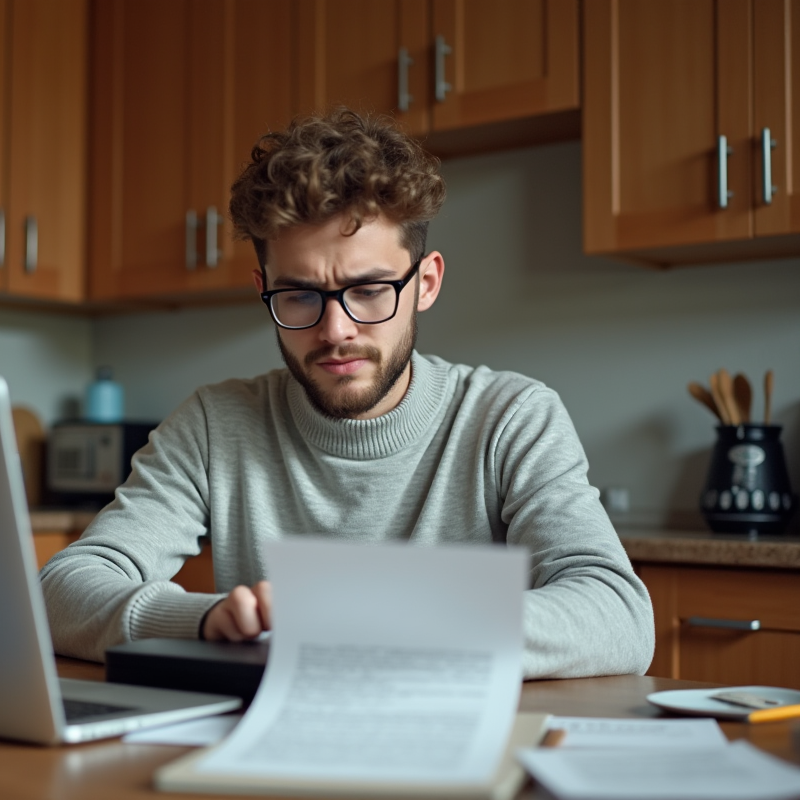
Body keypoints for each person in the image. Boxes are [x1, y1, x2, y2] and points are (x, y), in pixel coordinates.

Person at [39, 109, 654, 679]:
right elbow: (62, 590)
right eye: (299, 295)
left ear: (426, 283)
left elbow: (618, 616)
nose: (336, 332)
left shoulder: (510, 417)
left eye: (367, 291)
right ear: (263, 288)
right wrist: (201, 621)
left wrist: (400, 628)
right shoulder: (213, 422)